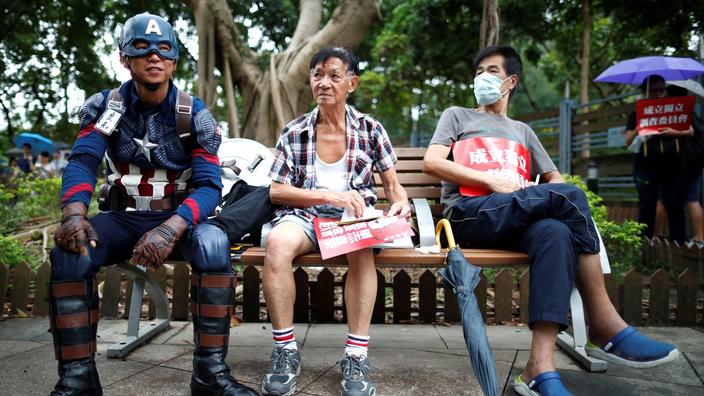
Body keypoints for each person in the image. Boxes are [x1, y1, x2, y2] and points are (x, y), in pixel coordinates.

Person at [423, 45, 679, 396]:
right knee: (571, 197)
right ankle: (604, 322)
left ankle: (539, 368)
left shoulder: (523, 131)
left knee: (556, 232)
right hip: (470, 216)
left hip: (514, 216)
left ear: (511, 81)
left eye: (492, 71)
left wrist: (533, 192)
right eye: (479, 70)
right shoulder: (457, 116)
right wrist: (492, 180)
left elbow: (554, 180)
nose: (483, 76)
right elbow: (432, 161)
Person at [48, 13, 257, 396]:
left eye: (164, 50)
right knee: (71, 251)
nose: (154, 57)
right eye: (141, 48)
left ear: (175, 61)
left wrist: (171, 227)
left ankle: (209, 376)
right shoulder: (104, 107)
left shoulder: (194, 114)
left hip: (181, 220)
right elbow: (82, 161)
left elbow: (210, 186)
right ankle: (77, 379)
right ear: (124, 58)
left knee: (214, 244)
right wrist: (74, 213)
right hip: (123, 218)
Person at [261, 47, 412, 396]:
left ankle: (356, 356)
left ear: (352, 83)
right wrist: (330, 196)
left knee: (362, 250)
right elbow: (277, 191)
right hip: (304, 217)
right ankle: (285, 350)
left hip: (351, 222)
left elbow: (393, 186)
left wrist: (401, 204)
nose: (324, 82)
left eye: (334, 75)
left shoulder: (371, 129)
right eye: (317, 75)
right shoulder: (295, 130)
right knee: (277, 244)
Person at [623, 75, 693, 243]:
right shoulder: (637, 113)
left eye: (662, 89)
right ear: (646, 92)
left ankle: (679, 244)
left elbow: (689, 131)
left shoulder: (675, 109)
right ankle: (645, 245)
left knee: (675, 205)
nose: (659, 93)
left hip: (674, 165)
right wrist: (640, 128)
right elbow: (627, 141)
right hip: (646, 167)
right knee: (647, 206)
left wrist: (671, 132)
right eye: (655, 90)